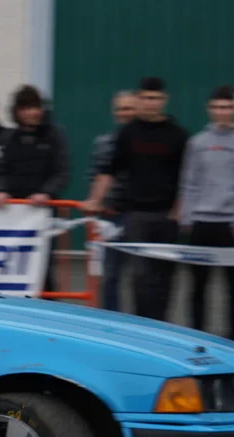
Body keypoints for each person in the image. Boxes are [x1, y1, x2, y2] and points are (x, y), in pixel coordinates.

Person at [83, 76, 189, 322]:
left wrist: (180, 212)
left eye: (156, 98)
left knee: (164, 278)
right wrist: (94, 200)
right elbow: (109, 170)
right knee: (140, 278)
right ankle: (143, 327)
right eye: (147, 98)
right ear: (140, 99)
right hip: (136, 216)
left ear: (165, 100)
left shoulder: (178, 135)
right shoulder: (128, 133)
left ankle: (162, 327)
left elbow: (187, 178)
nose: (151, 103)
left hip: (167, 217)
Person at [177, 85, 234, 342]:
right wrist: (187, 216)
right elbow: (190, 181)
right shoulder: (198, 143)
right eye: (217, 107)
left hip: (231, 225)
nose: (222, 112)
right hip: (201, 222)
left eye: (227, 107)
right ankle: (197, 336)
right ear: (209, 109)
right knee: (197, 286)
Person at [89, 90, 137, 313]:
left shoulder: (144, 142)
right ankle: (112, 320)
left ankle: (142, 323)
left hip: (138, 216)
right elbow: (94, 175)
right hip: (110, 217)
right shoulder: (103, 142)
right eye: (120, 109)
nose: (124, 113)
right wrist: (99, 204)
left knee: (141, 278)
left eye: (129, 108)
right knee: (110, 277)